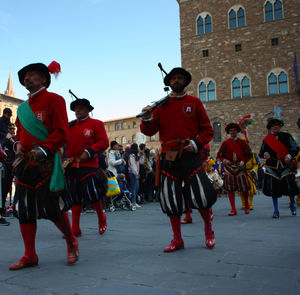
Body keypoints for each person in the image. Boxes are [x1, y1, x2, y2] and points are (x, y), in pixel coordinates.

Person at [140, 67, 217, 252]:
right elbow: (149, 131)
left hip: (190, 154)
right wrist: (147, 118)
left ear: (185, 81)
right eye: (173, 78)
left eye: (180, 78)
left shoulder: (195, 102)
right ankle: (177, 239)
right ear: (169, 82)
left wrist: (196, 144)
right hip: (168, 156)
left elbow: (207, 130)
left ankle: (209, 231)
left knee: (201, 195)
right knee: (171, 198)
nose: (176, 80)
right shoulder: (160, 106)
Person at [10, 61, 78, 270]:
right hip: (26, 164)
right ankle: (30, 254)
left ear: (44, 78)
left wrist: (43, 150)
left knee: (52, 207)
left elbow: (60, 131)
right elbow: (19, 133)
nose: (26, 78)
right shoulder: (22, 108)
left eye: (31, 74)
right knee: (24, 208)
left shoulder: (55, 100)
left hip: (47, 163)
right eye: (25, 75)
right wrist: (18, 145)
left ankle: (71, 243)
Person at [65, 98, 109, 236]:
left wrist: (89, 151)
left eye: (81, 108)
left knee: (92, 194)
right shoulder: (69, 126)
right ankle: (75, 228)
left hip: (89, 164)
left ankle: (101, 217)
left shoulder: (96, 123)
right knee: (75, 196)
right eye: (76, 108)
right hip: (72, 165)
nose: (77, 110)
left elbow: (104, 142)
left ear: (88, 110)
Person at [259, 118, 299, 218]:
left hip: (285, 165)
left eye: (277, 125)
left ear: (280, 126)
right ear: (270, 128)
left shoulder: (287, 136)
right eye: (273, 126)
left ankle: (292, 204)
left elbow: (295, 148)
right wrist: (265, 154)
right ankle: (276, 210)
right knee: (274, 189)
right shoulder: (267, 140)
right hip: (272, 166)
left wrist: (289, 156)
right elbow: (261, 152)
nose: (275, 127)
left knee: (290, 187)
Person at [217, 123, 252, 216]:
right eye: (231, 131)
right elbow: (219, 156)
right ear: (229, 132)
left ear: (237, 131)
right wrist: (224, 160)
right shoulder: (225, 143)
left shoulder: (242, 142)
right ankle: (233, 209)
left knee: (244, 189)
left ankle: (247, 206)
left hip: (240, 168)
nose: (233, 132)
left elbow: (249, 154)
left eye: (234, 130)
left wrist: (243, 161)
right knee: (230, 190)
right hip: (229, 169)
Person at [0, 123, 16, 225]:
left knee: (7, 189)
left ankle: (4, 210)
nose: (12, 131)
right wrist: (7, 139)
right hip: (5, 166)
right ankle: (1, 212)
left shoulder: (14, 139)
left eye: (13, 129)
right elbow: (1, 146)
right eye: (10, 129)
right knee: (3, 189)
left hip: (12, 167)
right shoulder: (4, 138)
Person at [128, 143, 140, 208]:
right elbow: (133, 166)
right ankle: (133, 202)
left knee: (136, 187)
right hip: (133, 173)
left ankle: (134, 201)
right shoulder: (131, 156)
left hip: (136, 173)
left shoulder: (135, 155)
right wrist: (136, 174)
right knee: (133, 188)